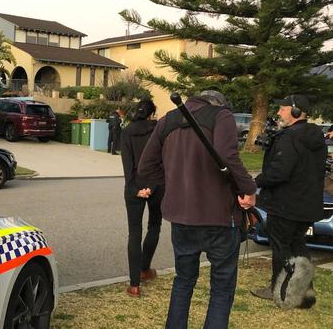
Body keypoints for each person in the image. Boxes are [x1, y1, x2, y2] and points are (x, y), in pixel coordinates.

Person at [137, 90, 256, 329]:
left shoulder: (167, 120)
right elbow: (228, 155)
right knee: (222, 287)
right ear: (219, 104)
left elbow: (145, 167)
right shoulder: (221, 116)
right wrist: (249, 188)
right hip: (219, 217)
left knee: (184, 280)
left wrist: (174, 181)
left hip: (181, 217)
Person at [251, 95, 327, 302]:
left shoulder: (290, 137)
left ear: (295, 111)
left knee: (281, 248)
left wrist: (257, 181)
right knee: (298, 246)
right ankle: (304, 291)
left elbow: (279, 173)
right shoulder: (315, 136)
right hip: (306, 204)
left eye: (282, 109)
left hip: (285, 205)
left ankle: (279, 290)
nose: (278, 113)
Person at [120, 99, 164, 298]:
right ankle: (144, 269)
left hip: (135, 186)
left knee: (134, 233)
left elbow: (127, 166)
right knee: (154, 226)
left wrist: (135, 188)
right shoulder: (158, 130)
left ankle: (134, 284)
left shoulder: (127, 132)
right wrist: (152, 187)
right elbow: (164, 160)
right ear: (152, 113)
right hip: (158, 185)